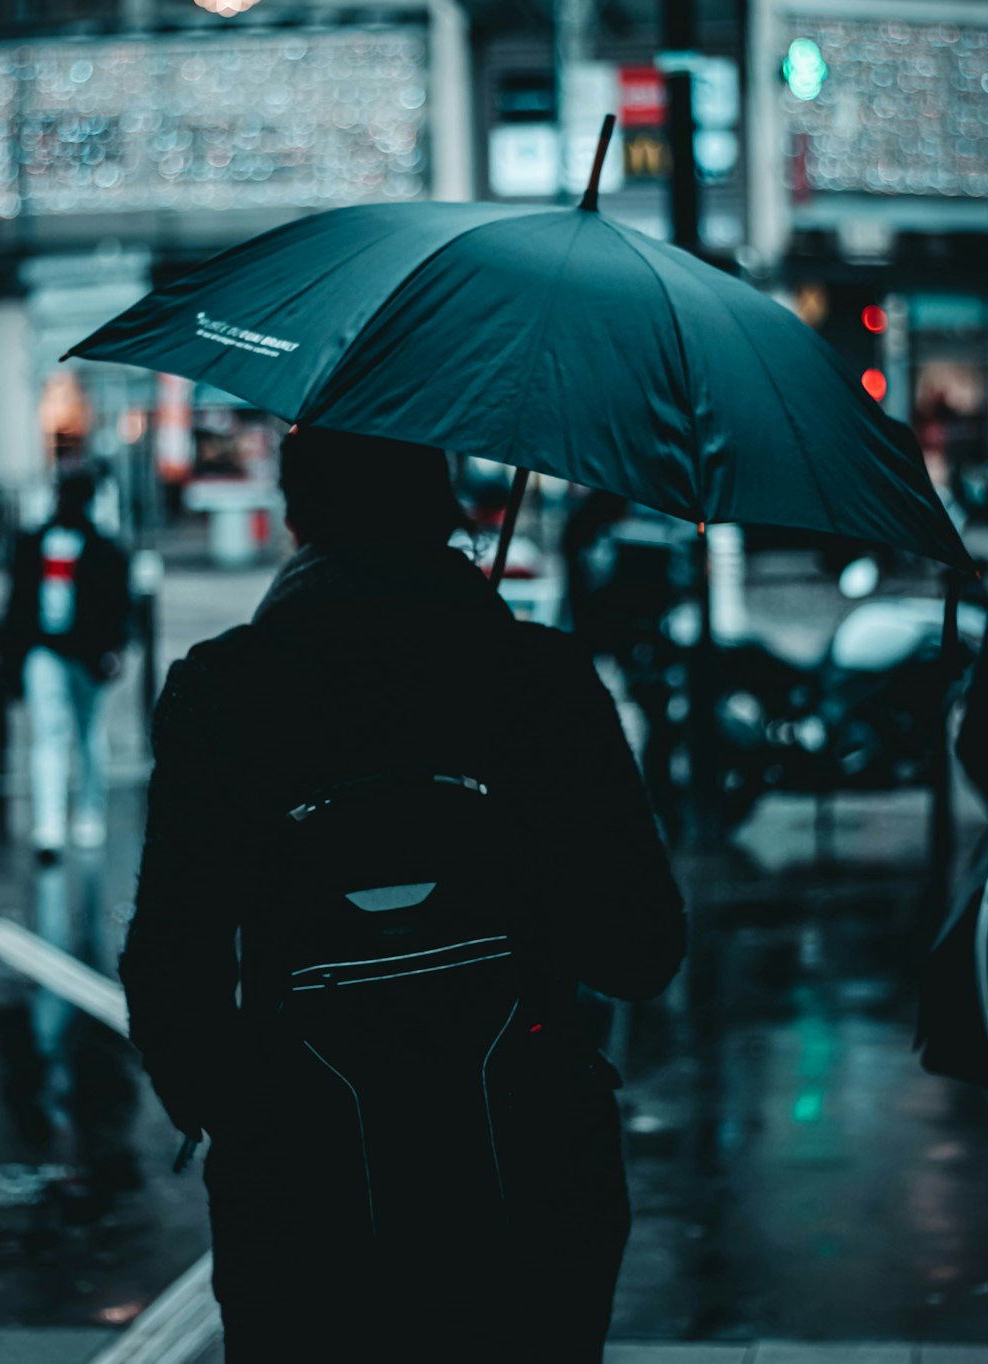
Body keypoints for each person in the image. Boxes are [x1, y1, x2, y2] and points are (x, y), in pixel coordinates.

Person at [120, 427, 686, 1364]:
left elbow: (170, 969)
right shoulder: (539, 682)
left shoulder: (224, 690)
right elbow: (641, 950)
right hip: (528, 1175)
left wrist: (247, 1117)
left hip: (302, 1190)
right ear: (447, 508)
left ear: (297, 513)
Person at [0, 464, 131, 859]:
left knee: (86, 735)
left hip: (86, 654)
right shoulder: (36, 543)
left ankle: (87, 813)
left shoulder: (103, 548)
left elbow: (121, 606)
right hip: (46, 649)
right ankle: (49, 825)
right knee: (52, 734)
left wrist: (114, 649)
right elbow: (17, 601)